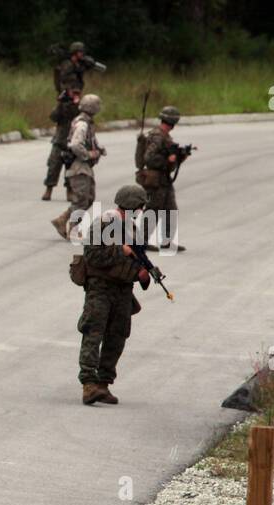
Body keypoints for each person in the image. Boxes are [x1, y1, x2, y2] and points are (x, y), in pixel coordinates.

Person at [77, 185, 153, 405]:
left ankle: (103, 383)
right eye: (139, 207)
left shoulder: (131, 229)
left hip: (122, 290)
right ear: (131, 205)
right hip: (100, 288)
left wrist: (143, 273)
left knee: (118, 335)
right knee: (94, 332)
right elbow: (92, 255)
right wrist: (121, 250)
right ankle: (89, 384)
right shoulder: (104, 223)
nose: (140, 211)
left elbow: (137, 259)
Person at [138, 106, 189, 252]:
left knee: (171, 210)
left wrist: (179, 157)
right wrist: (168, 159)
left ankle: (166, 241)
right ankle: (142, 241)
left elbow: (169, 160)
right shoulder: (157, 136)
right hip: (155, 180)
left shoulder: (165, 136)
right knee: (153, 210)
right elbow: (149, 158)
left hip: (164, 179)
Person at [52, 94, 103, 239]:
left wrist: (99, 149)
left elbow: (90, 140)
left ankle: (62, 220)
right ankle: (73, 229)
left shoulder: (86, 123)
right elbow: (75, 144)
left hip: (84, 167)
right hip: (79, 167)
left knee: (88, 198)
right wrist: (89, 154)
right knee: (82, 200)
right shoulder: (82, 124)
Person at [43, 88, 81, 201]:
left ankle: (69, 191)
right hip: (59, 141)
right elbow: (53, 117)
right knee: (53, 167)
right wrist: (61, 103)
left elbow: (79, 116)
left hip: (72, 142)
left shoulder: (80, 106)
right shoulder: (62, 105)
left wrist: (75, 103)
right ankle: (48, 189)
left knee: (71, 169)